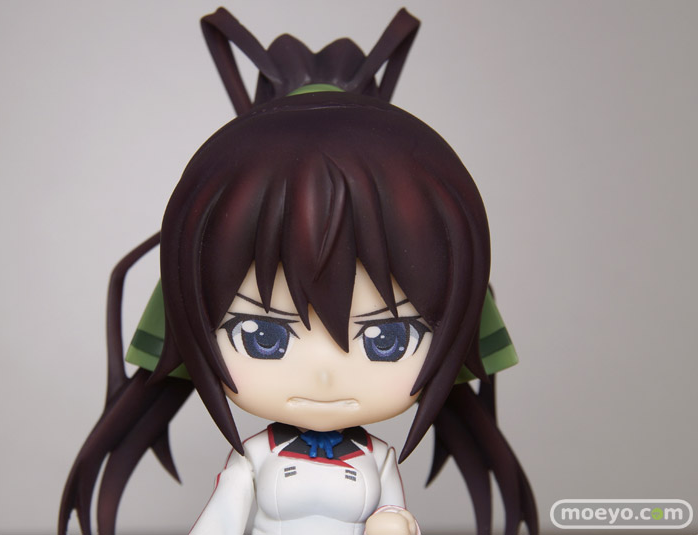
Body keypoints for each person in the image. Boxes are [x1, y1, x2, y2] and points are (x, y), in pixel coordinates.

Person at [59, 8, 537, 535]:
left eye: (386, 339)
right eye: (263, 336)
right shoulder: (254, 458)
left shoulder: (377, 459)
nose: (325, 374)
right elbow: (220, 522)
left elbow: (393, 517)